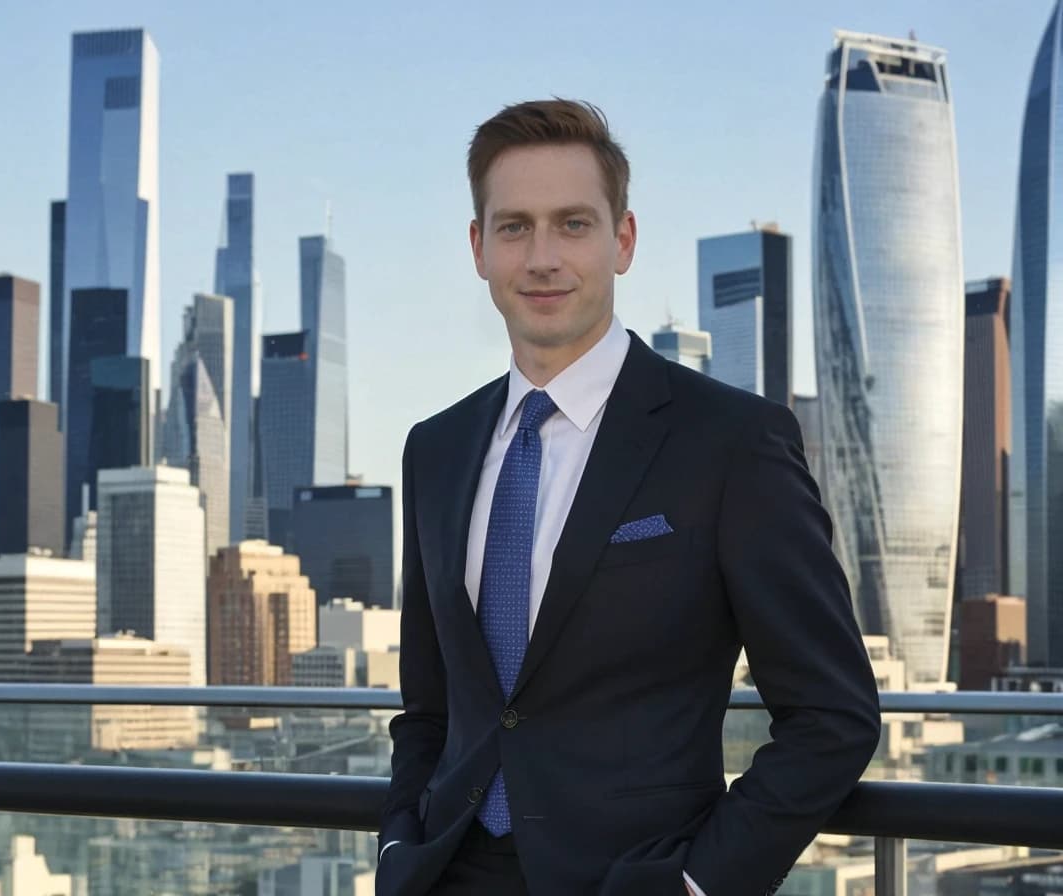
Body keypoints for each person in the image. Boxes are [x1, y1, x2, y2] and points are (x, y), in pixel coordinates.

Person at [377, 98, 880, 896]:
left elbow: (833, 715)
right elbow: (429, 706)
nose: (543, 257)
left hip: (633, 880)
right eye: (515, 227)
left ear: (624, 240)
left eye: (573, 223)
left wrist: (696, 884)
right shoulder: (433, 448)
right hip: (444, 875)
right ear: (479, 248)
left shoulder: (730, 441)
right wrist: (397, 848)